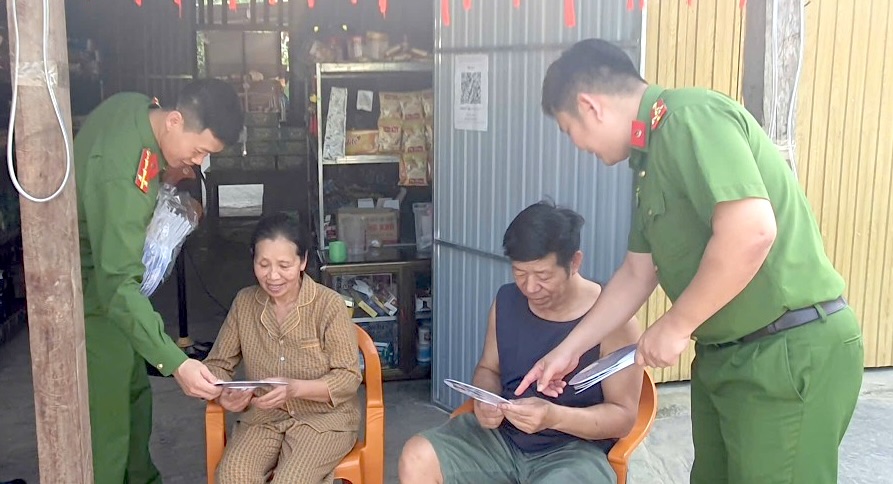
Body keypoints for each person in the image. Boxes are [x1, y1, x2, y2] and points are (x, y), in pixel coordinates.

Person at [515, 39, 864, 483]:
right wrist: (568, 351)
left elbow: (751, 231)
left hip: (785, 351)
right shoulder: (648, 163)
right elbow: (637, 273)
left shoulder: (690, 117)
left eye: (570, 130)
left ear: (590, 106)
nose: (577, 145)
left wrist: (676, 324)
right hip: (727, 357)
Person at [398, 201, 643, 484]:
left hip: (573, 451)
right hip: (501, 439)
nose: (529, 287)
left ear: (574, 262)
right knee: (417, 457)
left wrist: (553, 417)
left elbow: (623, 417)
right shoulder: (506, 301)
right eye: (519, 273)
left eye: (543, 275)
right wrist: (484, 401)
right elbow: (488, 370)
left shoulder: (613, 320)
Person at [75, 79, 244, 483]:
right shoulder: (121, 178)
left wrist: (163, 184)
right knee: (110, 423)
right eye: (199, 150)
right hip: (94, 301)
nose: (198, 163)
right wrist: (176, 363)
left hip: (117, 297)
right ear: (173, 120)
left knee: (135, 399)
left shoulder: (134, 106)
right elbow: (117, 287)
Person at [203, 212, 362, 484]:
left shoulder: (328, 306)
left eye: (284, 265)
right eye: (263, 264)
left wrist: (295, 388)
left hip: (324, 420)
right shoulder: (245, 303)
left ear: (303, 262)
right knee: (232, 476)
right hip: (263, 417)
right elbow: (217, 365)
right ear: (253, 258)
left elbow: (348, 377)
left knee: (292, 481)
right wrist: (223, 393)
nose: (273, 276)